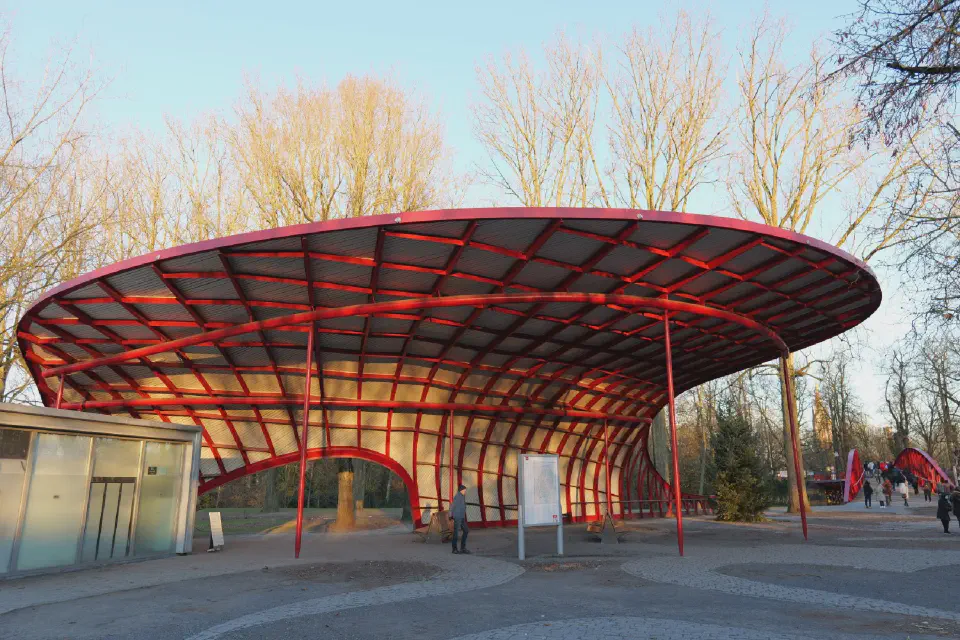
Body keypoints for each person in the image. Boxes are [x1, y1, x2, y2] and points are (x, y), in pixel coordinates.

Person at [450, 483, 470, 555]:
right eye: (464, 490)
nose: (465, 491)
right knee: (456, 533)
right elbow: (452, 506)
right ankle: (454, 549)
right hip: (457, 517)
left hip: (461, 517)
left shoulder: (462, 496)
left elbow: (461, 505)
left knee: (466, 530)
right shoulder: (457, 496)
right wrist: (450, 515)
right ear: (461, 490)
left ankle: (462, 548)